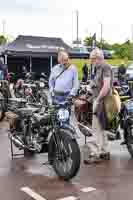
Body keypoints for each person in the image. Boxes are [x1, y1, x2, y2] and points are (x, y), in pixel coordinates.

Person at [83, 48, 113, 164]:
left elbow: (106, 86)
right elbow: (99, 83)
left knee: (96, 128)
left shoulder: (105, 67)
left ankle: (96, 153)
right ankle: (105, 152)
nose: (91, 62)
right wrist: (91, 85)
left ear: (97, 58)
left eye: (92, 59)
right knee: (102, 127)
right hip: (101, 99)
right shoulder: (99, 68)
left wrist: (98, 99)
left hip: (101, 100)